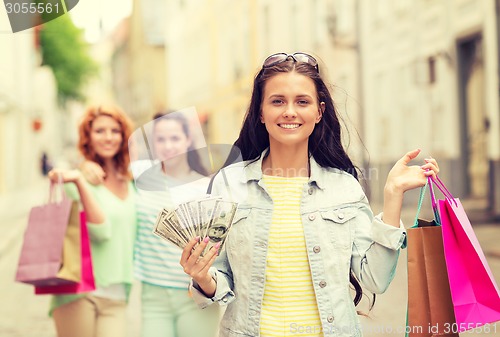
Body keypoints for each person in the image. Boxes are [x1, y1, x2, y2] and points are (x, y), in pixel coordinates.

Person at [179, 52, 440, 337]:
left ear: (319, 112)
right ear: (260, 112)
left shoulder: (344, 188)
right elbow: (220, 280)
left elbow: (375, 279)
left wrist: (393, 195)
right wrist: (202, 277)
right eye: (277, 101)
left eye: (302, 101)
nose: (290, 111)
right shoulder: (230, 183)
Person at [83, 111, 221, 337]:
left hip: (193, 294)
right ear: (153, 143)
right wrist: (85, 166)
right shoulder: (138, 175)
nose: (168, 146)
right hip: (152, 295)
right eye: (161, 139)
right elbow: (104, 170)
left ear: (188, 140)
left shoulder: (206, 187)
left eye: (175, 138)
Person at [47, 105, 137, 337]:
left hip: (117, 294)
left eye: (115, 131)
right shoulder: (75, 181)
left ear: (124, 136)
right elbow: (101, 231)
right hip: (79, 293)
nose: (108, 137)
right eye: (99, 131)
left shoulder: (132, 182)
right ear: (88, 137)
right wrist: (79, 179)